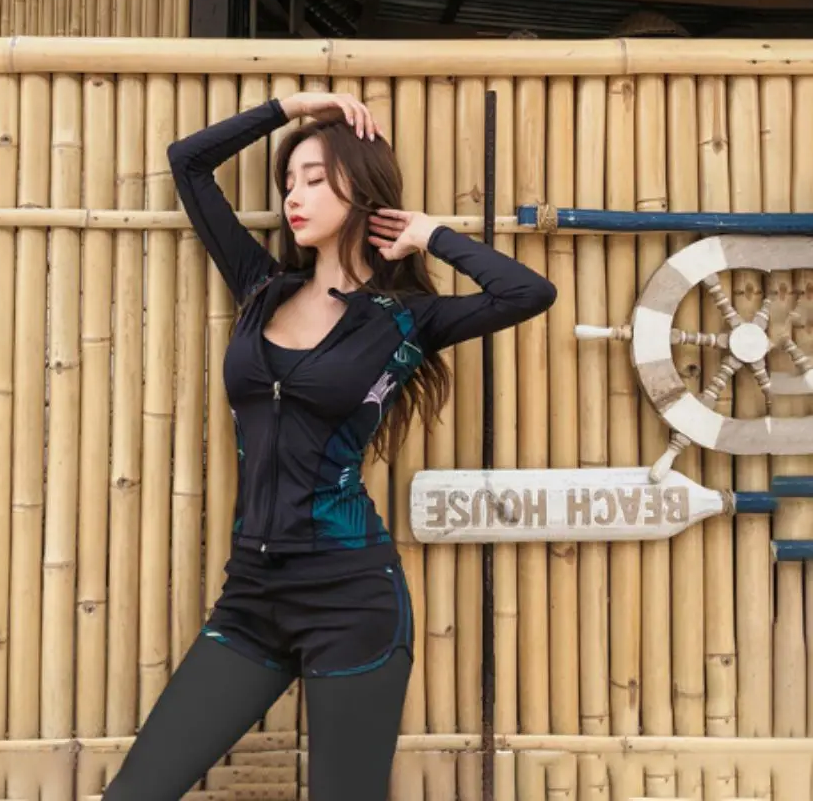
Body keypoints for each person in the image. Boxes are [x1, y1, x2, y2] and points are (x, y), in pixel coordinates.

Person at [103, 91, 556, 800]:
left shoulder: (405, 320)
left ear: (363, 191)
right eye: (288, 182)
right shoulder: (261, 289)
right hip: (251, 596)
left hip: (351, 597)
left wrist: (431, 235)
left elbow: (528, 293)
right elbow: (187, 163)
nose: (294, 196)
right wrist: (291, 106)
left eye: (315, 179)